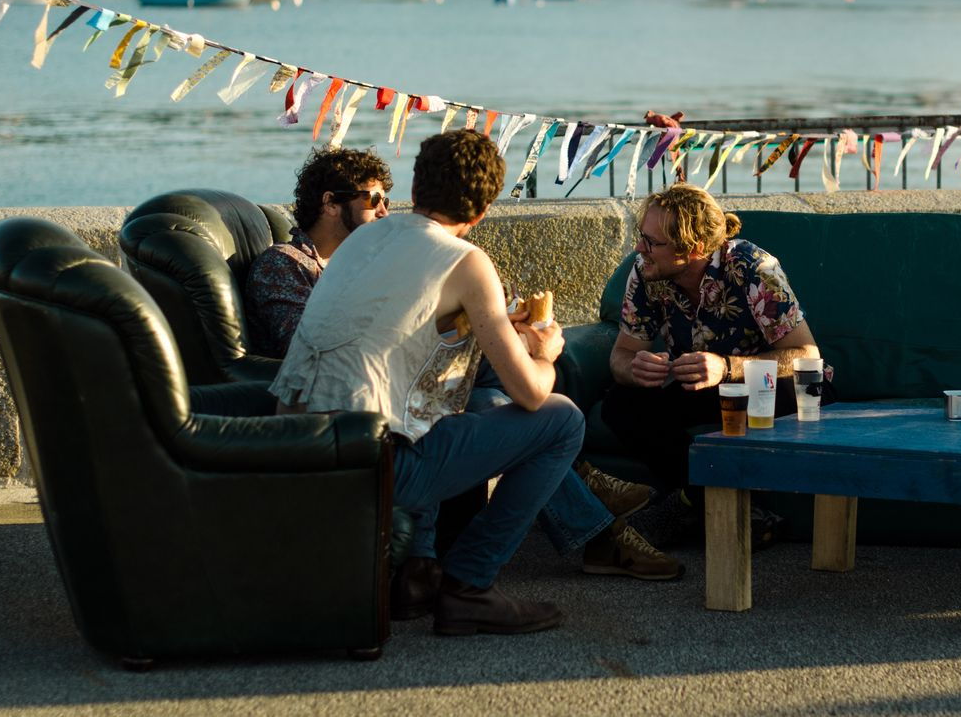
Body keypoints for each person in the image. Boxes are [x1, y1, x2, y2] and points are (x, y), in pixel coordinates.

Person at [269, 131, 676, 637]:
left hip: (293, 446)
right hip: (370, 464)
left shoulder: (366, 238)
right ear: (483, 210)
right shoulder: (465, 261)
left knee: (455, 401)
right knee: (561, 420)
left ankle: (421, 567)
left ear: (416, 186)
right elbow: (530, 392)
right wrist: (547, 354)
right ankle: (469, 586)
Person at [601, 184, 820, 539]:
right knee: (620, 404)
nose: (640, 249)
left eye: (653, 243)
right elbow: (621, 355)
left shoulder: (752, 267)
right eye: (642, 237)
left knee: (794, 397)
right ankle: (722, 509)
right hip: (702, 386)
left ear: (696, 249)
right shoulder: (646, 271)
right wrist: (634, 367)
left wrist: (726, 367)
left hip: (767, 388)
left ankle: (686, 509)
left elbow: (807, 355)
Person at [245, 146, 393, 359]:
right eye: (373, 200)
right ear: (331, 204)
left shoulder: (357, 266)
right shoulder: (283, 264)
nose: (384, 212)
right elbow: (306, 346)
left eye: (385, 201)